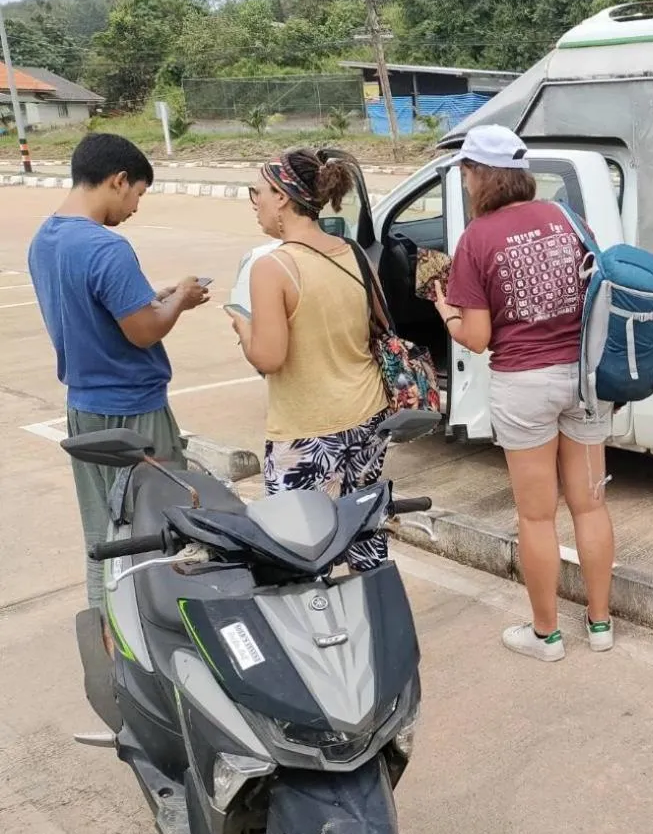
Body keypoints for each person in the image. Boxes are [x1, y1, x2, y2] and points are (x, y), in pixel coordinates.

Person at [433, 125, 615, 663]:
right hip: (582, 379)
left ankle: (547, 636)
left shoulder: (478, 239)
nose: (464, 181)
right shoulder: (567, 219)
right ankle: (601, 626)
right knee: (590, 505)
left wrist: (446, 312)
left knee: (537, 517)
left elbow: (479, 337)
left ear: (478, 175)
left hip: (524, 385)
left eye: (465, 171)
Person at [28, 133, 209, 608]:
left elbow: (101, 311)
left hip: (84, 411)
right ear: (119, 180)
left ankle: (109, 632)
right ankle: (161, 636)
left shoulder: (44, 239)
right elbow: (144, 332)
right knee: (159, 529)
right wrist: (182, 302)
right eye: (138, 195)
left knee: (104, 533)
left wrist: (157, 299)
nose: (135, 208)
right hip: (134, 414)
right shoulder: (107, 247)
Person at [228, 148, 392, 571]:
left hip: (308, 432)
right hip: (369, 416)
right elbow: (377, 325)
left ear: (282, 197)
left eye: (258, 192)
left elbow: (269, 358)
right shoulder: (353, 252)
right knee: (364, 538)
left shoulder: (273, 267)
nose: (256, 203)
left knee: (300, 555)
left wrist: (242, 328)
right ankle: (373, 626)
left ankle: (321, 635)